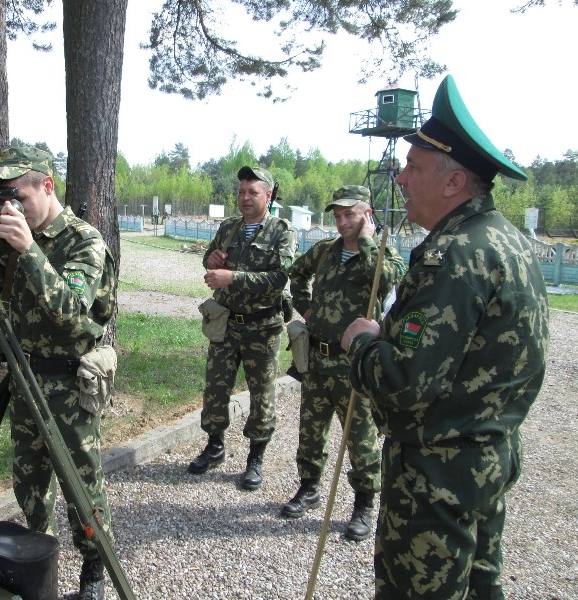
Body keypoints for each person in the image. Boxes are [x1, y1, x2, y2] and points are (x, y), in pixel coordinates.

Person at [342, 75, 550, 598]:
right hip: (485, 458)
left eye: (413, 168)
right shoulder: (508, 239)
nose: (401, 180)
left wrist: (362, 342)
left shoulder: (455, 255)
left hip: (436, 471)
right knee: (480, 585)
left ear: (454, 183)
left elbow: (404, 382)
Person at [0, 146, 117, 600]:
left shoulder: (84, 240)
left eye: (16, 193)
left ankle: (94, 572)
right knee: (30, 485)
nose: (9, 205)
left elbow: (71, 312)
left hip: (70, 387)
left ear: (46, 185)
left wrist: (30, 249)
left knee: (82, 487)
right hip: (24, 381)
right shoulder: (9, 242)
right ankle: (40, 566)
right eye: (3, 197)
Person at [281, 185, 405, 543]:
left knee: (361, 439)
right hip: (318, 362)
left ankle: (364, 504)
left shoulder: (382, 254)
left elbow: (388, 282)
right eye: (337, 215)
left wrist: (368, 241)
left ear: (366, 213)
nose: (341, 222)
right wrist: (305, 308)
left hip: (355, 367)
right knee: (310, 432)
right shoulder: (324, 251)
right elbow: (296, 275)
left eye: (349, 214)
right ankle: (309, 487)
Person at [188, 166, 297, 490]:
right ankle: (215, 446)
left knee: (262, 395)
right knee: (215, 389)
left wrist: (232, 276)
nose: (245, 198)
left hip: (262, 328)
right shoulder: (229, 227)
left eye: (253, 192)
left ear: (268, 195)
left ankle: (255, 459)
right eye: (241, 192)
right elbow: (210, 257)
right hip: (226, 325)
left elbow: (279, 278)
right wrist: (212, 261)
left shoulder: (282, 230)